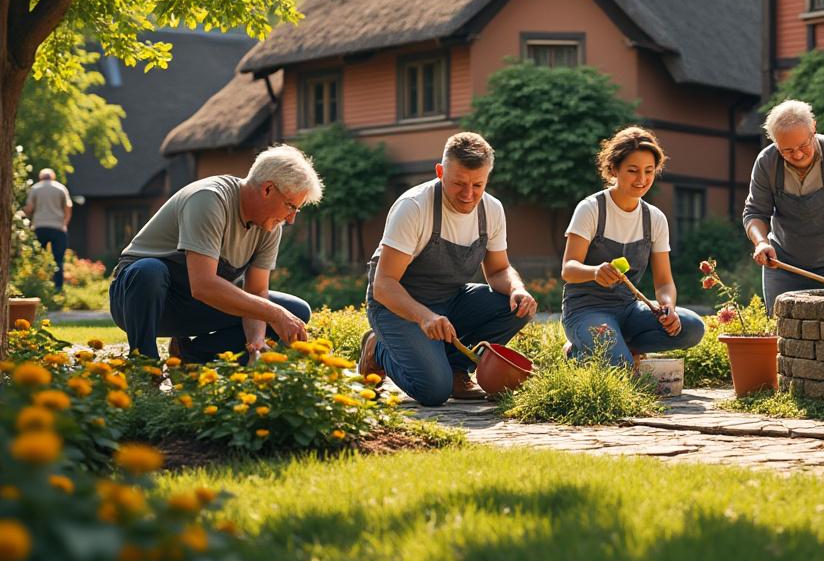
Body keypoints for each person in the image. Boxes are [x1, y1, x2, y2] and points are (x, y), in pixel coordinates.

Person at [360, 132, 536, 405]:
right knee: (433, 391)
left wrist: (518, 289)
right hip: (397, 307)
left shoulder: (492, 209)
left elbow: (499, 271)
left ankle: (456, 369)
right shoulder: (414, 207)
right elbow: (383, 285)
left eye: (478, 185)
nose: (468, 195)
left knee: (514, 309)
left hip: (450, 301)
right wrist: (424, 317)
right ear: (440, 172)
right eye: (458, 184)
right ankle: (378, 349)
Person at [108, 145, 322, 362]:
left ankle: (191, 355)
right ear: (267, 189)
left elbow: (257, 292)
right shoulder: (209, 199)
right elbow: (203, 285)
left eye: (297, 209)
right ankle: (145, 364)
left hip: (195, 305)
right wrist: (275, 314)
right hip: (139, 301)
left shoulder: (269, 227)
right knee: (149, 270)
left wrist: (256, 344)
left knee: (296, 312)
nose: (291, 218)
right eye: (290, 206)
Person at [560, 126, 705, 366]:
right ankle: (578, 350)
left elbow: (664, 281)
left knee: (691, 328)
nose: (642, 179)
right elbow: (569, 269)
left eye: (649, 171)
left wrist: (667, 308)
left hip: (628, 309)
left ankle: (618, 346)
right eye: (632, 170)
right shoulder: (591, 208)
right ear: (614, 169)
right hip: (585, 310)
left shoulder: (655, 218)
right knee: (621, 366)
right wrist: (595, 272)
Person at [742, 99, 824, 310]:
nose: (797, 155)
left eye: (803, 146)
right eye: (787, 150)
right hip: (782, 266)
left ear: (813, 128)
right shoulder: (766, 162)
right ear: (775, 143)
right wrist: (761, 243)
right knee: (780, 333)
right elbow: (755, 211)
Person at [23, 169, 73, 291]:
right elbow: (68, 207)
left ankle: (37, 286)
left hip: (39, 227)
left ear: (41, 177)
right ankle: (58, 288)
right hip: (57, 228)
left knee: (37, 258)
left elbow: (29, 208)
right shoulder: (61, 188)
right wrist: (64, 223)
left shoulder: (35, 188)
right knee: (58, 259)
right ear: (53, 177)